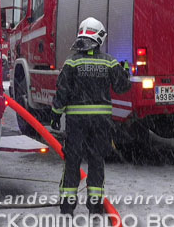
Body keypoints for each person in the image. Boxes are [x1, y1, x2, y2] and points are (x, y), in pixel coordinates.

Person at [52, 17, 131, 215]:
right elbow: (122, 88)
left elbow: (62, 92)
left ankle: (67, 205)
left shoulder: (72, 62)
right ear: (99, 38)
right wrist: (126, 72)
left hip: (76, 123)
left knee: (72, 161)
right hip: (101, 123)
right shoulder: (110, 62)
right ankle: (95, 205)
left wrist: (55, 114)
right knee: (97, 161)